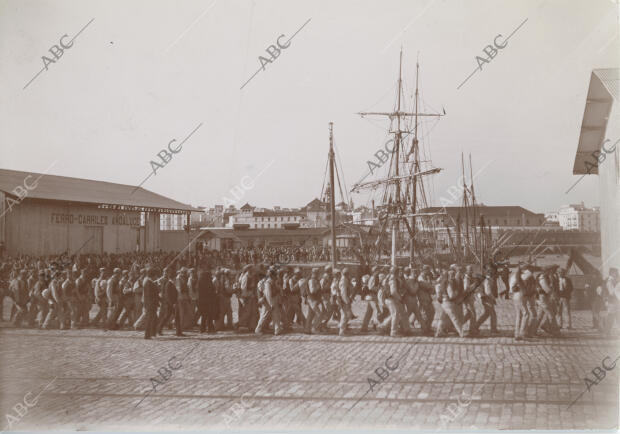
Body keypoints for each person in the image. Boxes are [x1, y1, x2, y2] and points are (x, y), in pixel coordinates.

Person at [256, 267, 282, 335]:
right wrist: (271, 304)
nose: (276, 276)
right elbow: (268, 294)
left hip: (273, 300)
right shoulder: (268, 283)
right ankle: (258, 329)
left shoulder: (273, 281)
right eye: (275, 275)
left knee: (276, 315)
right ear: (272, 275)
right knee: (264, 315)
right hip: (268, 301)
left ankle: (277, 330)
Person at [158, 267, 183, 336]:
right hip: (170, 304)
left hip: (172, 303)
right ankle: (159, 329)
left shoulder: (171, 283)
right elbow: (168, 296)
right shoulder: (169, 284)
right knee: (167, 317)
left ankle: (178, 332)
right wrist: (173, 303)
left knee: (174, 317)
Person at [475, 265, 498, 335]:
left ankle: (475, 326)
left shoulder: (488, 279)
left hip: (486, 298)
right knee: (493, 314)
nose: (492, 273)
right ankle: (493, 329)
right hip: (487, 298)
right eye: (491, 272)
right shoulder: (487, 280)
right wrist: (493, 298)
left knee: (486, 314)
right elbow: (488, 292)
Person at [305, 268, 323, 334]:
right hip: (312, 299)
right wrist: (318, 286)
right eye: (317, 273)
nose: (318, 274)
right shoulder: (312, 280)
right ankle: (314, 328)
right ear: (314, 273)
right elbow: (312, 291)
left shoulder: (314, 280)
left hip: (312, 299)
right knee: (319, 314)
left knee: (310, 315)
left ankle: (307, 329)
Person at [143, 267, 159, 339]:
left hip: (151, 304)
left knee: (154, 318)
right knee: (150, 319)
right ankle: (147, 335)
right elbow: (149, 295)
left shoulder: (149, 282)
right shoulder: (148, 282)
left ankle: (152, 333)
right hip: (150, 304)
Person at [338, 268, 353, 336]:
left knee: (347, 315)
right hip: (344, 300)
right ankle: (342, 331)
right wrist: (346, 301)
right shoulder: (344, 280)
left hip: (345, 299)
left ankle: (343, 329)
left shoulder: (345, 279)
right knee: (344, 315)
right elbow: (343, 292)